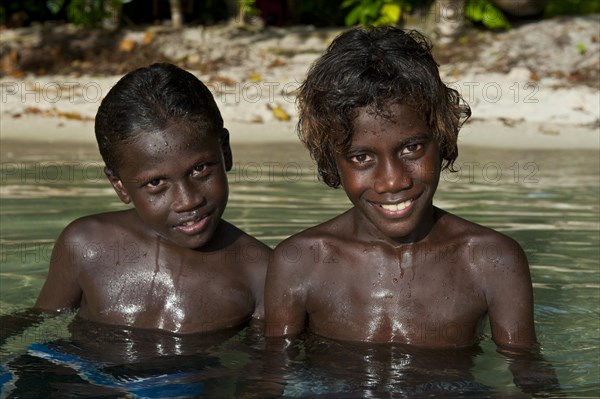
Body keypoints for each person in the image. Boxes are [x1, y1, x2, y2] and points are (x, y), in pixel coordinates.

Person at [265, 26, 537, 352]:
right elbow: (272, 371)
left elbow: (528, 372)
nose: (393, 181)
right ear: (330, 161)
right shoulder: (300, 262)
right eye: (362, 157)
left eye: (411, 149)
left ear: (443, 138)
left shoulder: (491, 260)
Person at [16, 63, 270, 336]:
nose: (188, 201)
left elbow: (268, 368)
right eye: (156, 183)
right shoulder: (85, 246)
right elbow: (37, 324)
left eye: (200, 169)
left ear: (225, 152)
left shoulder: (261, 272)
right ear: (120, 186)